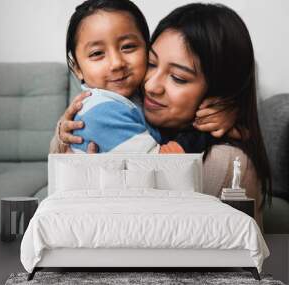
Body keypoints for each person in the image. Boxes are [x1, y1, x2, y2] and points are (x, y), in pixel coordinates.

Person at [51, 3, 271, 228]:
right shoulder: (112, 106)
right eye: (152, 64)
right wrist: (63, 132)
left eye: (178, 77)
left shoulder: (224, 162)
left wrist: (225, 115)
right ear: (76, 67)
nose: (151, 86)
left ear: (219, 92)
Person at [65, 0, 218, 154]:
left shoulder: (135, 95)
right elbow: (160, 164)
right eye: (97, 53)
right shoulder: (101, 111)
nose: (117, 63)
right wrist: (210, 132)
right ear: (77, 68)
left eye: (128, 46)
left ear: (147, 46)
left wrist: (224, 113)